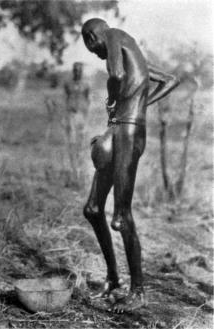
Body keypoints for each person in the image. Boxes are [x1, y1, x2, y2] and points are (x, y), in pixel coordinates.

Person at [82, 18, 180, 313]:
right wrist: (138, 104)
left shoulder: (113, 35)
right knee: (93, 209)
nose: (99, 55)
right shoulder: (132, 48)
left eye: (94, 50)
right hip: (124, 127)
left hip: (127, 131)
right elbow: (170, 80)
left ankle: (138, 291)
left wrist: (114, 103)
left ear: (90, 37)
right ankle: (113, 279)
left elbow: (116, 72)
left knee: (121, 216)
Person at [63, 62, 90, 182]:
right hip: (71, 115)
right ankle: (72, 170)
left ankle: (80, 170)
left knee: (81, 143)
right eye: (76, 70)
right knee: (72, 143)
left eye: (80, 70)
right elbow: (65, 99)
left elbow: (88, 100)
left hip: (82, 116)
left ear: (82, 71)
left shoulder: (86, 84)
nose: (78, 72)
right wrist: (64, 117)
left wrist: (86, 117)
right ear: (73, 71)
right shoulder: (68, 84)